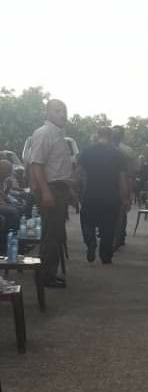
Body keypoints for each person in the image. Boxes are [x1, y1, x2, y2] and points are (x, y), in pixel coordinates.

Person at [28, 98, 74, 288]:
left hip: (59, 188)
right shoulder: (44, 133)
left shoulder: (58, 134)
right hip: (51, 189)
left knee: (56, 233)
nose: (62, 114)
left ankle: (48, 273)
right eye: (57, 111)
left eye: (64, 111)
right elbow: (36, 164)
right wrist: (45, 192)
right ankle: (45, 276)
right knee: (51, 235)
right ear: (46, 113)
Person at [78, 127, 129, 265]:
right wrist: (125, 197)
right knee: (109, 226)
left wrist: (75, 190)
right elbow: (122, 179)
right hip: (111, 196)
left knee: (86, 221)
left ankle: (90, 242)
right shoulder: (117, 153)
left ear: (97, 135)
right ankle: (105, 256)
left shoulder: (87, 151)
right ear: (111, 136)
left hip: (90, 193)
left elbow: (78, 173)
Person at [111, 125, 136, 249]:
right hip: (113, 184)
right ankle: (117, 237)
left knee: (120, 211)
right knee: (118, 212)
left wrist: (130, 192)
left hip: (120, 184)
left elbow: (130, 173)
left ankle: (118, 237)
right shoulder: (126, 150)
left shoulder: (126, 151)